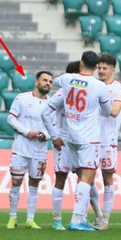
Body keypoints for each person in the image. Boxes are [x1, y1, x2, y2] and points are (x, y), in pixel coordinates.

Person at [42, 51, 111, 231]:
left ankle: (75, 218)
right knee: (87, 177)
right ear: (96, 67)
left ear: (81, 63)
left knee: (73, 177)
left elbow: (54, 82)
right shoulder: (99, 86)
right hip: (89, 137)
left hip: (69, 136)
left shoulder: (66, 79)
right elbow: (107, 111)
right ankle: (77, 219)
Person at [6, 71, 53, 229]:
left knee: (34, 185)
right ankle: (12, 218)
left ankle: (30, 219)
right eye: (45, 80)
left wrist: (44, 135)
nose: (48, 83)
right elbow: (11, 118)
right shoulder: (22, 98)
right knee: (16, 182)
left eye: (50, 81)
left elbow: (55, 128)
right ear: (36, 82)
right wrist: (27, 132)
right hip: (21, 149)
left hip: (39, 151)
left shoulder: (52, 104)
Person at [94, 54, 121, 230]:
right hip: (90, 140)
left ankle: (105, 218)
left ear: (113, 69)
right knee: (86, 178)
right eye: (99, 68)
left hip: (108, 141)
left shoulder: (118, 89)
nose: (101, 71)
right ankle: (95, 215)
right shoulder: (93, 86)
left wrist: (99, 102)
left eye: (104, 68)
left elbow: (114, 111)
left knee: (107, 179)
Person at [47, 61, 78, 231]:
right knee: (61, 178)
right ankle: (57, 220)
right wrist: (55, 136)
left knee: (86, 179)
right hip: (64, 142)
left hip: (80, 141)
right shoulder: (62, 93)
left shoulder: (85, 94)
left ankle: (81, 217)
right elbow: (46, 113)